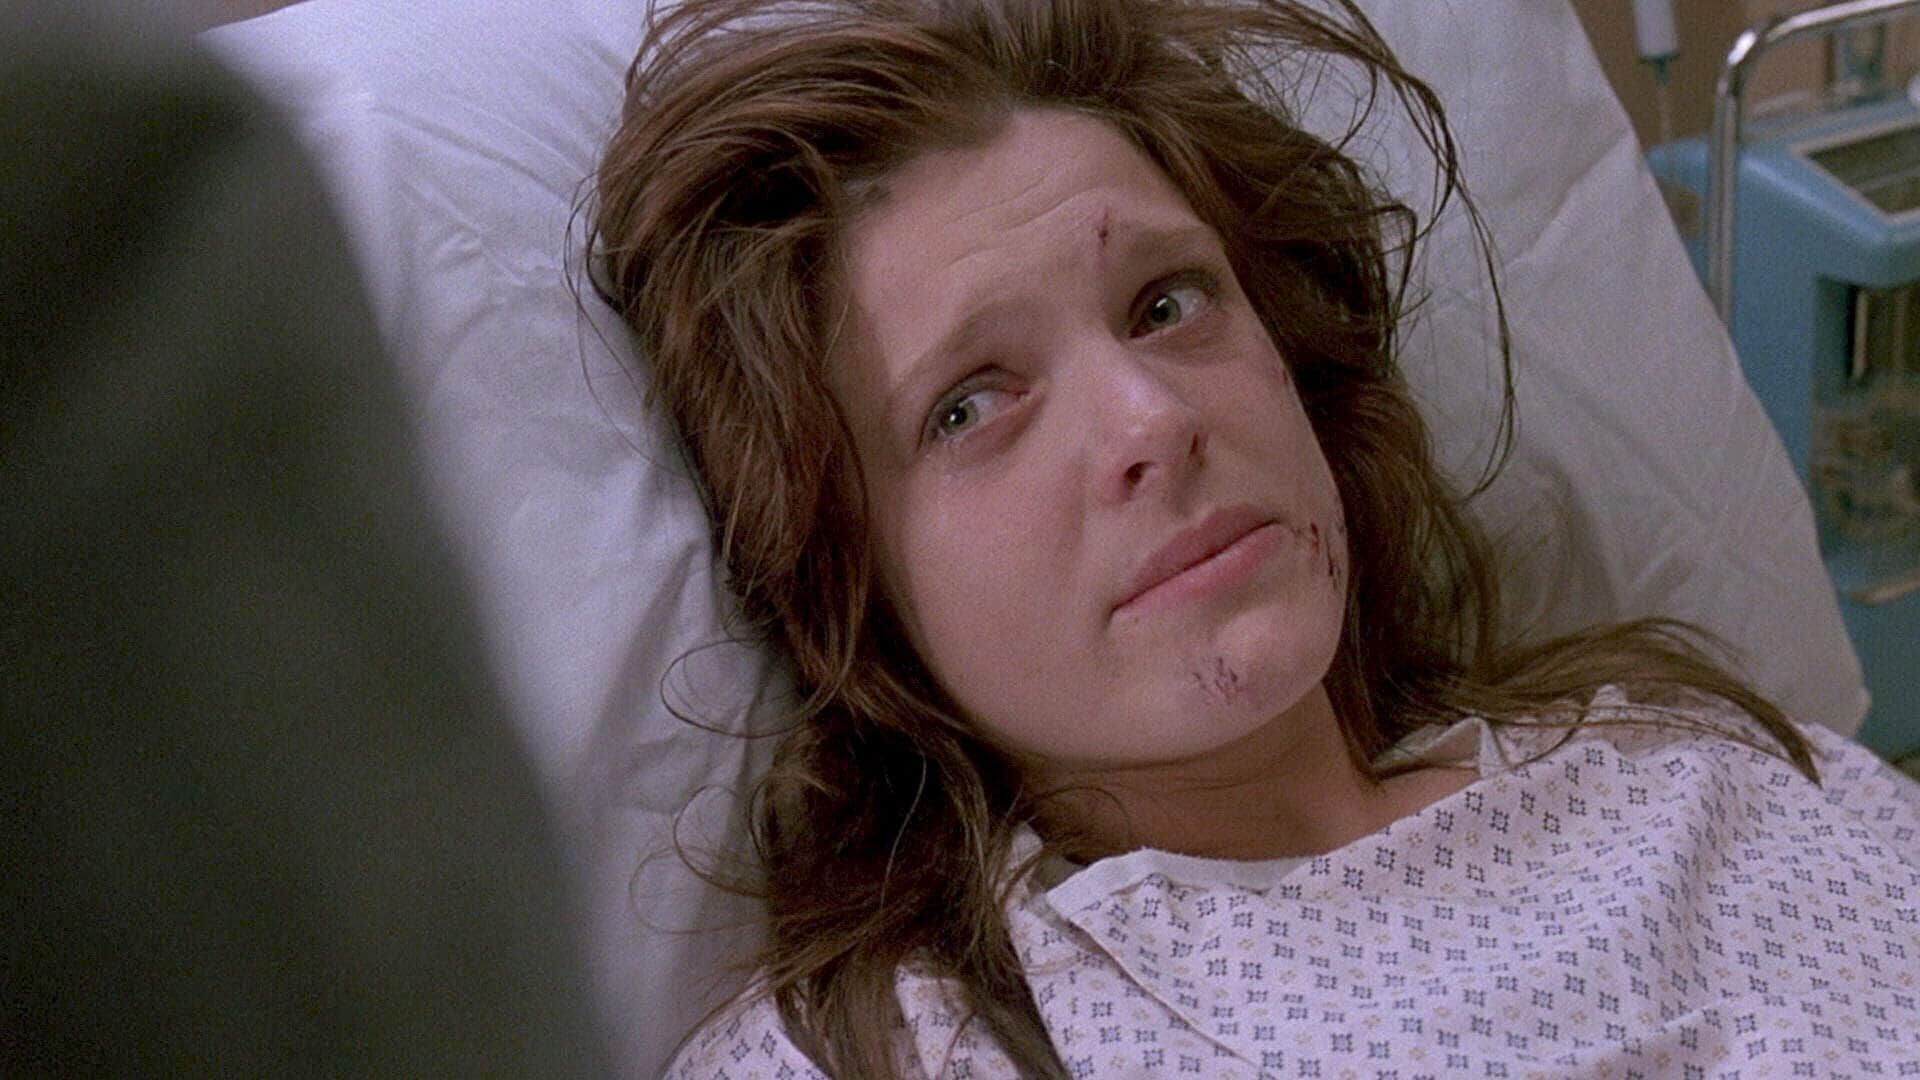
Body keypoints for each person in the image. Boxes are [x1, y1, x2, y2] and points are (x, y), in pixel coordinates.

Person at [589, 0, 1920, 1076]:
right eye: (971, 405)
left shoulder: (1705, 779)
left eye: (1167, 304)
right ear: (850, 583)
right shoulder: (877, 1056)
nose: (1153, 420)